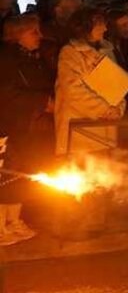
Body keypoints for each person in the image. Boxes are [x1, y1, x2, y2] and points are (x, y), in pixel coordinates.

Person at [0, 14, 55, 244]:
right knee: (7, 176)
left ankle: (14, 221)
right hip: (10, 127)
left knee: (22, 175)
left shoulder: (33, 58)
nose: (39, 37)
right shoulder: (6, 60)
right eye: (34, 32)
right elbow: (7, 94)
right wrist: (43, 101)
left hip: (30, 127)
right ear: (18, 34)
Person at [55, 9, 126, 155]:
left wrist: (118, 109)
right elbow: (73, 90)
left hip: (105, 131)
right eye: (99, 24)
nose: (105, 29)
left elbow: (118, 87)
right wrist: (104, 110)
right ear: (84, 26)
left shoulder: (107, 51)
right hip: (80, 131)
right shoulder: (71, 53)